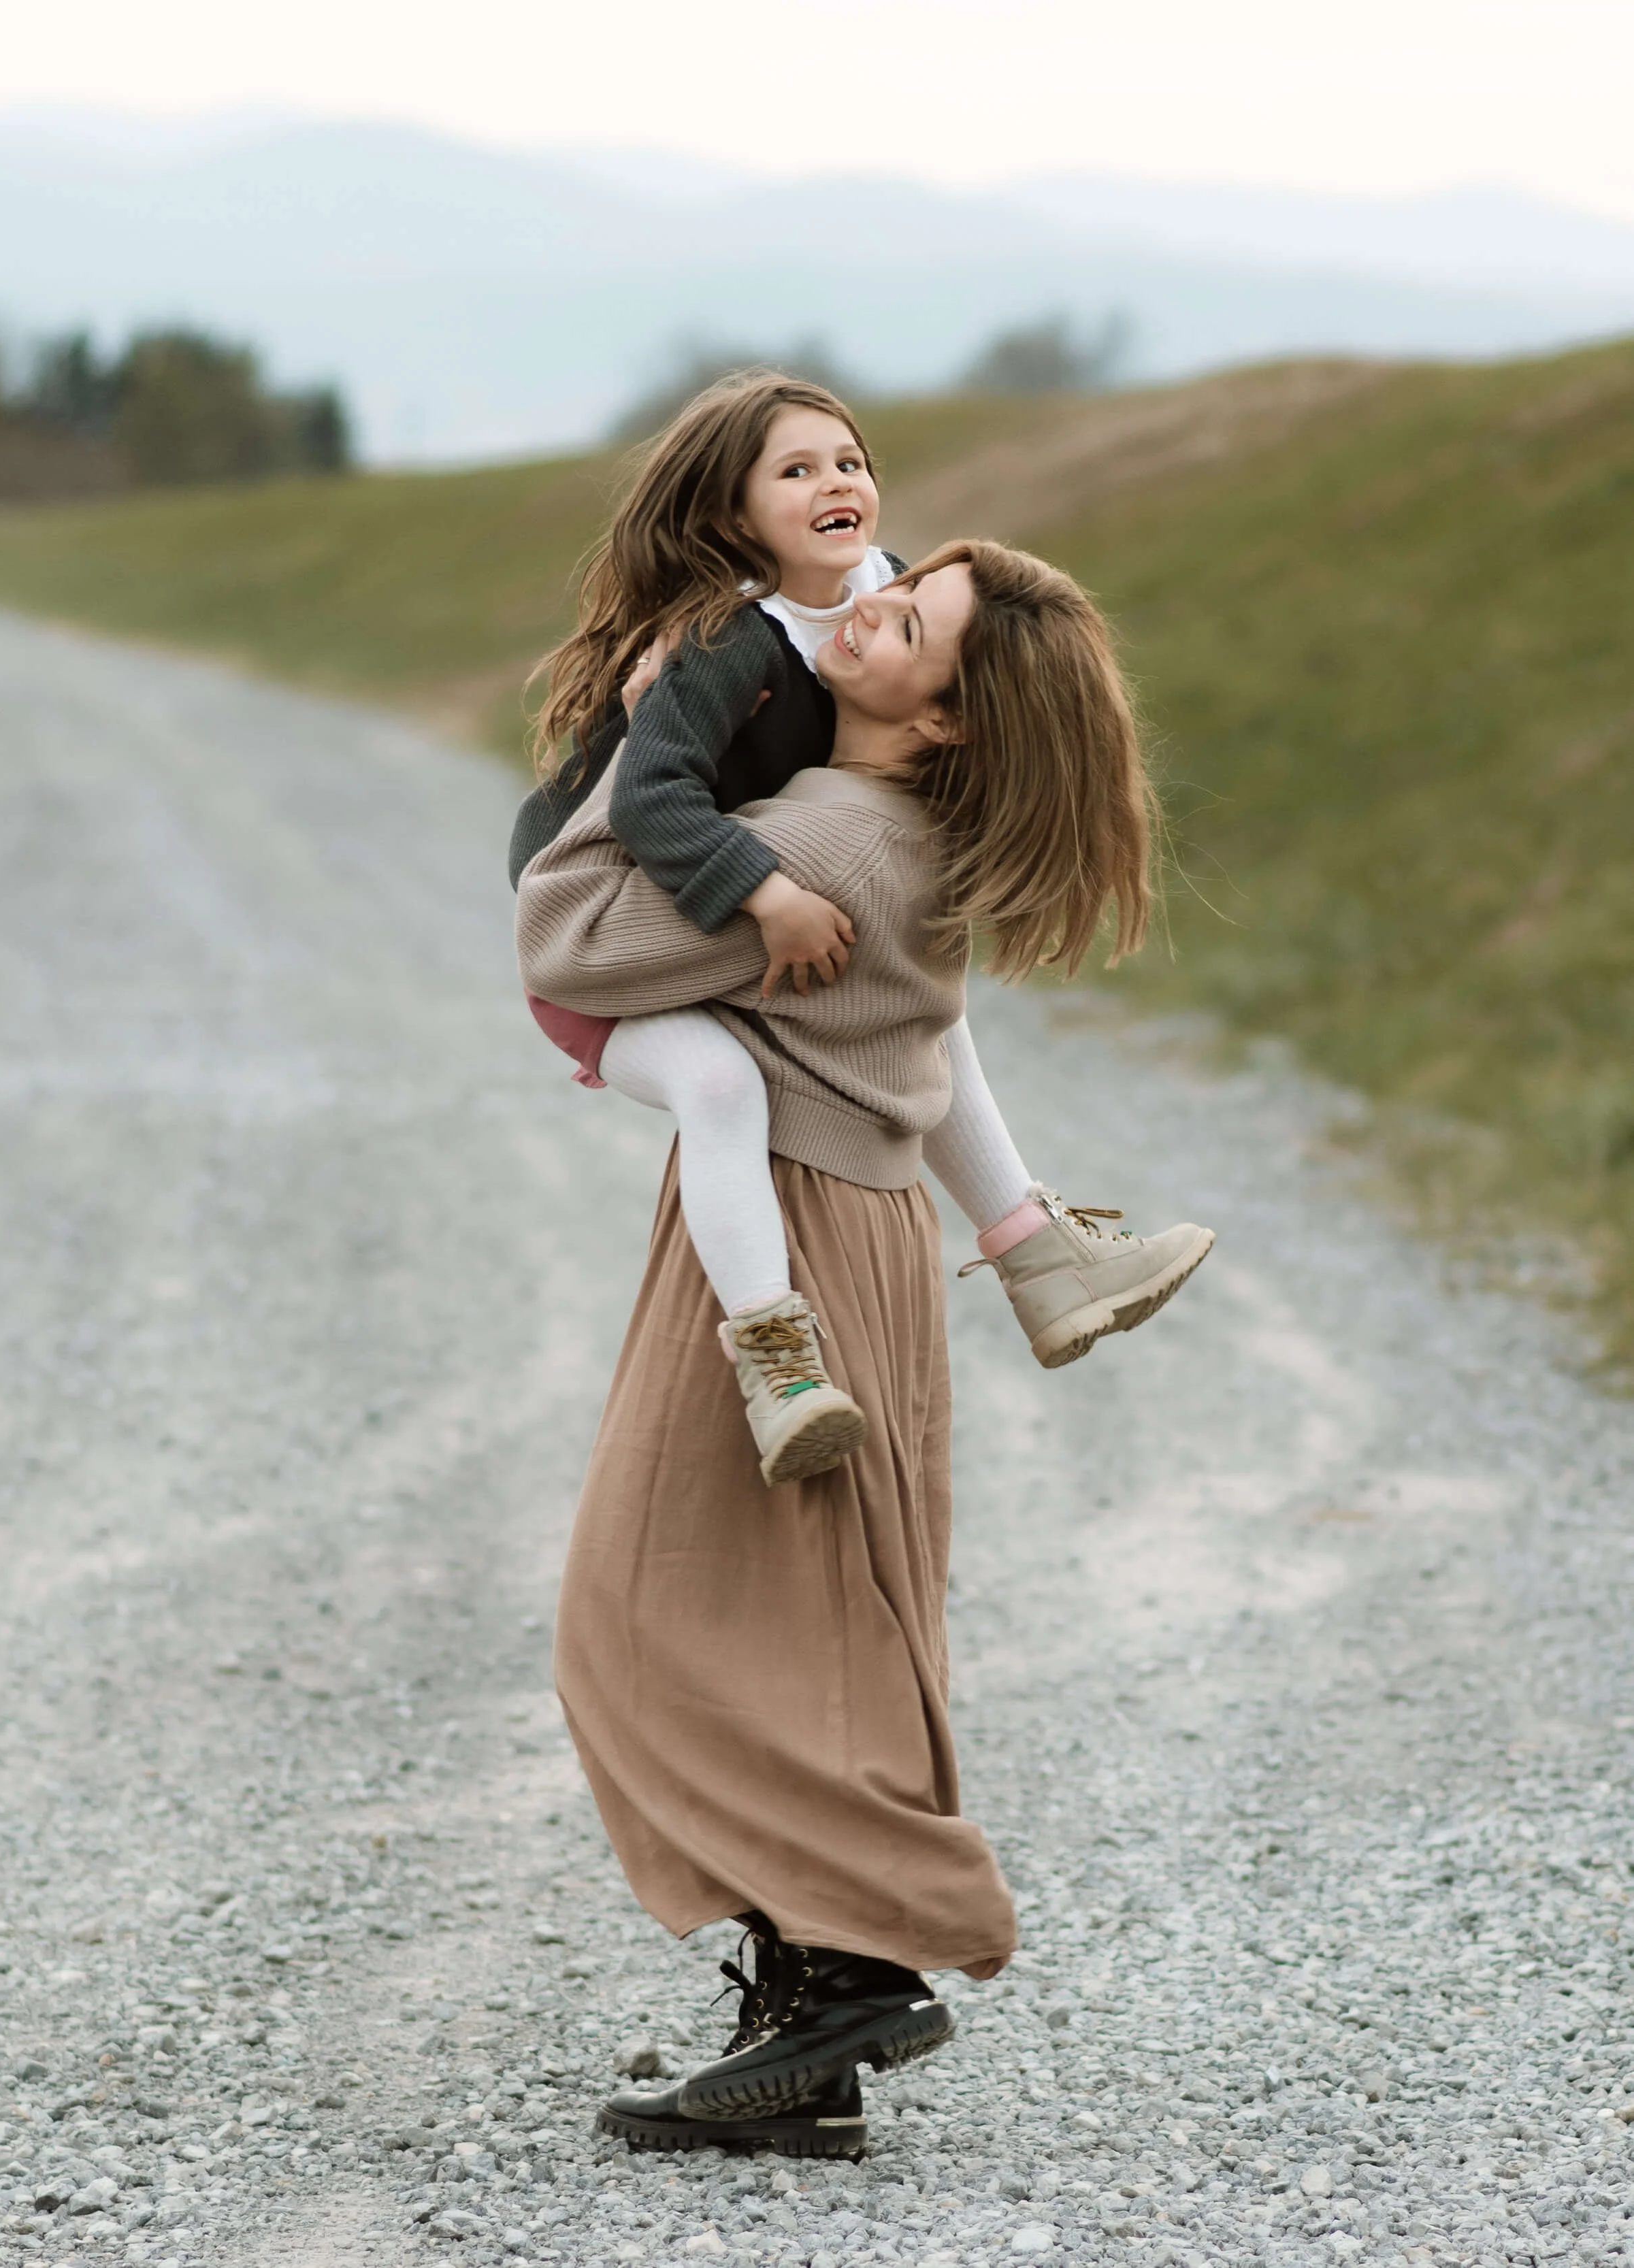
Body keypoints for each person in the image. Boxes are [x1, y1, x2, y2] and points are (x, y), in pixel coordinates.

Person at [515, 538, 1212, 2158]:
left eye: (906, 622)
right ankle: (808, 2014)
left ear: (947, 715)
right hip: (867, 1226)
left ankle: (863, 1951)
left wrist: (643, 743)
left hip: (799, 1237)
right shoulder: (901, 824)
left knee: (643, 1613)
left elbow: (564, 936)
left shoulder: (824, 839)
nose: (861, 609)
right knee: (816, 1617)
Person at [511, 372, 1212, 1488]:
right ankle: (775, 1356)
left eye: (851, 462)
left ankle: (1035, 1248)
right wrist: (767, 893)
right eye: (796, 472)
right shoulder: (724, 644)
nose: (837, 484)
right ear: (738, 520)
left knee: (933, 1012)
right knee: (722, 1088)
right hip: (598, 935)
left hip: (721, 875)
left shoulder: (887, 585)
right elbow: (651, 805)